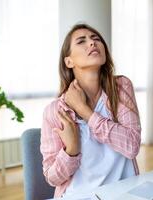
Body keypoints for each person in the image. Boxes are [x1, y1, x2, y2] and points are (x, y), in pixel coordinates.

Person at [41, 23, 141, 198]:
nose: (93, 43)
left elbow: (132, 146)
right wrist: (71, 150)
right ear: (68, 61)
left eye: (96, 39)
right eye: (82, 41)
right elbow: (51, 177)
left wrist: (85, 111)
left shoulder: (122, 87)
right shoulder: (54, 111)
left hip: (124, 194)